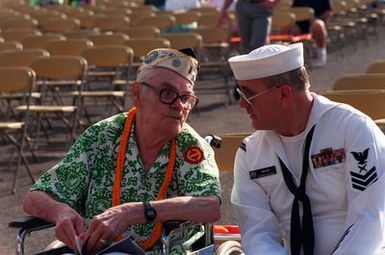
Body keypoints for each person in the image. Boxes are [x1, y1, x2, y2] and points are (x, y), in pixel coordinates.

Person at [23, 48, 221, 254]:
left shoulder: (191, 146)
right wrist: (61, 212)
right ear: (137, 94)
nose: (179, 106)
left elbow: (210, 205)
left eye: (186, 98)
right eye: (168, 93)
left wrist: (135, 212)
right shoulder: (103, 136)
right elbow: (34, 197)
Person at [228, 42, 385, 254]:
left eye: (247, 95)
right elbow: (258, 235)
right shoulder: (250, 153)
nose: (241, 104)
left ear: (284, 94)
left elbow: (370, 221)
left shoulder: (352, 128)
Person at [292, 0, 333, 67]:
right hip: (300, 24)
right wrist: (293, 24)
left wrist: (315, 19)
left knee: (318, 25)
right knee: (286, 28)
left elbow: (328, 12)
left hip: (317, 21)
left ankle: (321, 55)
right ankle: (290, 59)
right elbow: (293, 11)